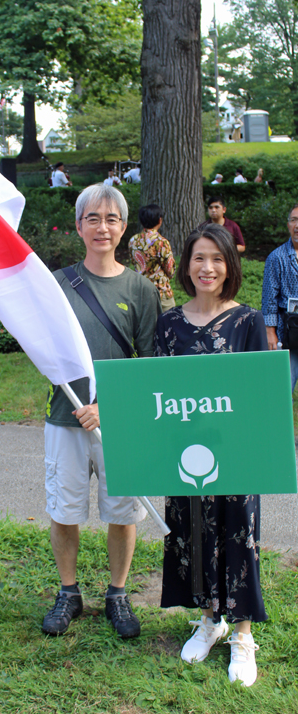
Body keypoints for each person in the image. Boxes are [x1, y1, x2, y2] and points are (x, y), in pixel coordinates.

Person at [42, 183, 161, 639]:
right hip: (65, 417)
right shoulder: (56, 284)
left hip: (121, 422)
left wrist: (106, 407)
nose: (102, 227)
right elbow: (42, 347)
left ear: (124, 227)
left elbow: (148, 365)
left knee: (122, 511)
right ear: (78, 226)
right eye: (93, 218)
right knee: (65, 509)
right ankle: (68, 592)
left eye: (111, 219)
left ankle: (117, 593)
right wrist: (83, 405)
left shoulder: (141, 289)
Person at [155, 223, 267, 687]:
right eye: (199, 258)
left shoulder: (248, 321)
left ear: (230, 266)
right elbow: (156, 391)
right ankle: (209, 619)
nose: (208, 267)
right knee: (194, 530)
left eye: (217, 259)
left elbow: (260, 395)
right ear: (186, 265)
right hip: (186, 453)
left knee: (238, 531)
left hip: (235, 453)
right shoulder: (169, 323)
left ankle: (241, 634)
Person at [262, 203, 298, 393]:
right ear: (288, 225)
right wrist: (270, 332)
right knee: (283, 386)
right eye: (294, 220)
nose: (297, 225)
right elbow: (269, 298)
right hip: (289, 330)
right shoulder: (276, 257)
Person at [129, 204, 176, 312]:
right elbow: (170, 269)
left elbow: (134, 261)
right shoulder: (162, 242)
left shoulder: (133, 241)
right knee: (169, 320)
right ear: (160, 220)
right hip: (160, 291)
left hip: (140, 290)